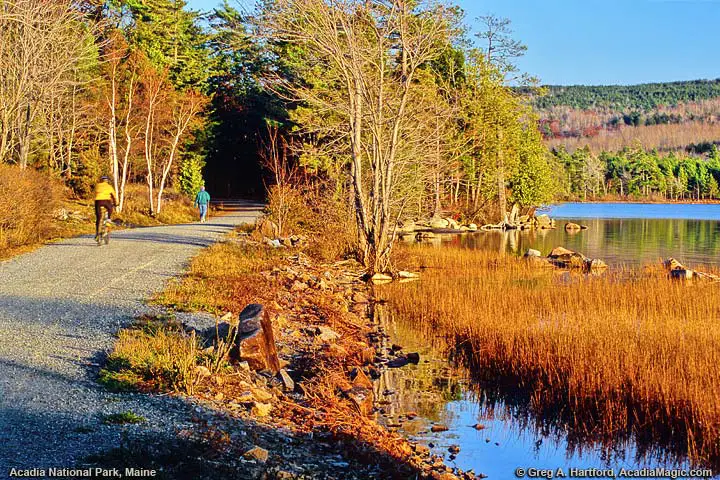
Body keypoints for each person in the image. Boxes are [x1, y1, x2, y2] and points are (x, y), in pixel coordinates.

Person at [94, 175, 117, 240]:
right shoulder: (109, 187)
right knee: (110, 209)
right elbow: (114, 196)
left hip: (98, 201)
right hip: (107, 201)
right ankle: (108, 219)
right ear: (107, 181)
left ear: (101, 180)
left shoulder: (97, 185)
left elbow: (94, 193)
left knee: (98, 217)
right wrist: (116, 203)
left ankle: (97, 233)